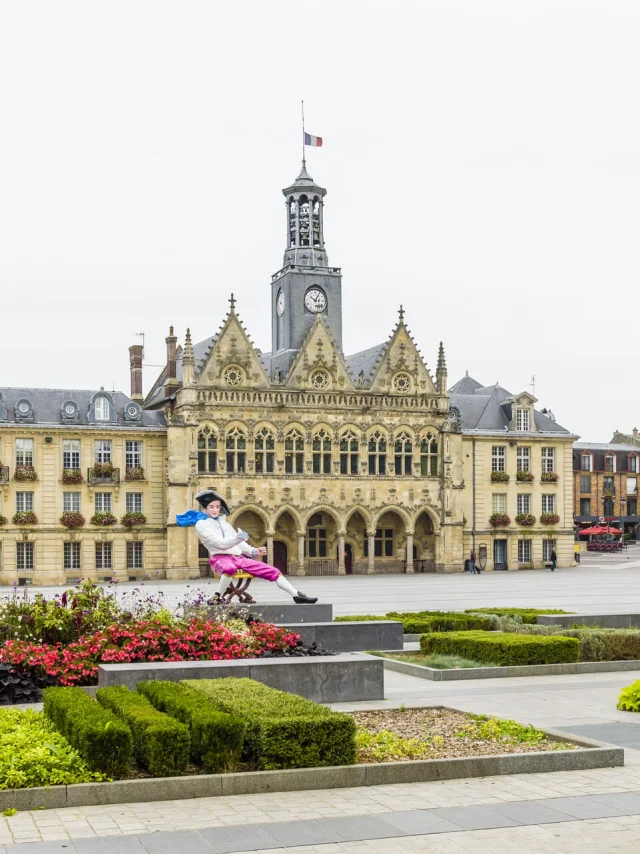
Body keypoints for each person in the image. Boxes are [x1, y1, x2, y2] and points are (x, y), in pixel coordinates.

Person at [177, 489, 318, 604]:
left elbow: (241, 544)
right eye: (211, 507)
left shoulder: (224, 524)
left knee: (273, 571)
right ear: (205, 508)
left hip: (238, 558)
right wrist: (237, 538)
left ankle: (296, 595)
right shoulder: (202, 525)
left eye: (217, 507)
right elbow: (220, 544)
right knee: (229, 568)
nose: (215, 510)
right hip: (219, 558)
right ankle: (217, 596)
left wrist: (254, 551)